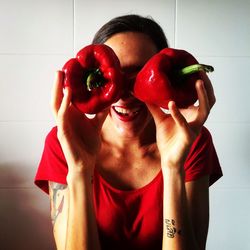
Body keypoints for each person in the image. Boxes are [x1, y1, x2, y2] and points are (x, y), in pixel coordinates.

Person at [35, 14, 222, 250]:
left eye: (139, 74)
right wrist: (80, 170)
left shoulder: (191, 141)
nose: (122, 92)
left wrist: (173, 168)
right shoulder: (65, 141)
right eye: (110, 73)